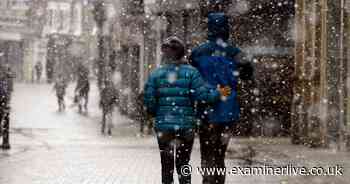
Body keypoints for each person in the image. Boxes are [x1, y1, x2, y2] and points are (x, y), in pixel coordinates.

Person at [144, 36, 231, 184]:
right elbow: (203, 97)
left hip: (163, 127)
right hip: (186, 127)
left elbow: (149, 101)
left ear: (165, 54)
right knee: (184, 164)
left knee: (166, 165)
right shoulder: (192, 73)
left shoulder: (156, 75)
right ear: (183, 53)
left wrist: (154, 115)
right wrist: (219, 93)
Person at [190, 12, 253, 184]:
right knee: (220, 152)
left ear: (209, 29)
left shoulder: (198, 52)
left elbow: (192, 75)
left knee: (207, 149)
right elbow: (248, 74)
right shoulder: (236, 53)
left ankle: (208, 179)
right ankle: (218, 180)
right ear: (227, 29)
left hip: (206, 109)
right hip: (228, 109)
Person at [0, 58, 14, 150]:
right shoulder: (5, 79)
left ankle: (5, 141)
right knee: (4, 118)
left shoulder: (5, 79)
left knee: (4, 118)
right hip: (3, 101)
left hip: (2, 101)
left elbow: (6, 91)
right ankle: (5, 141)